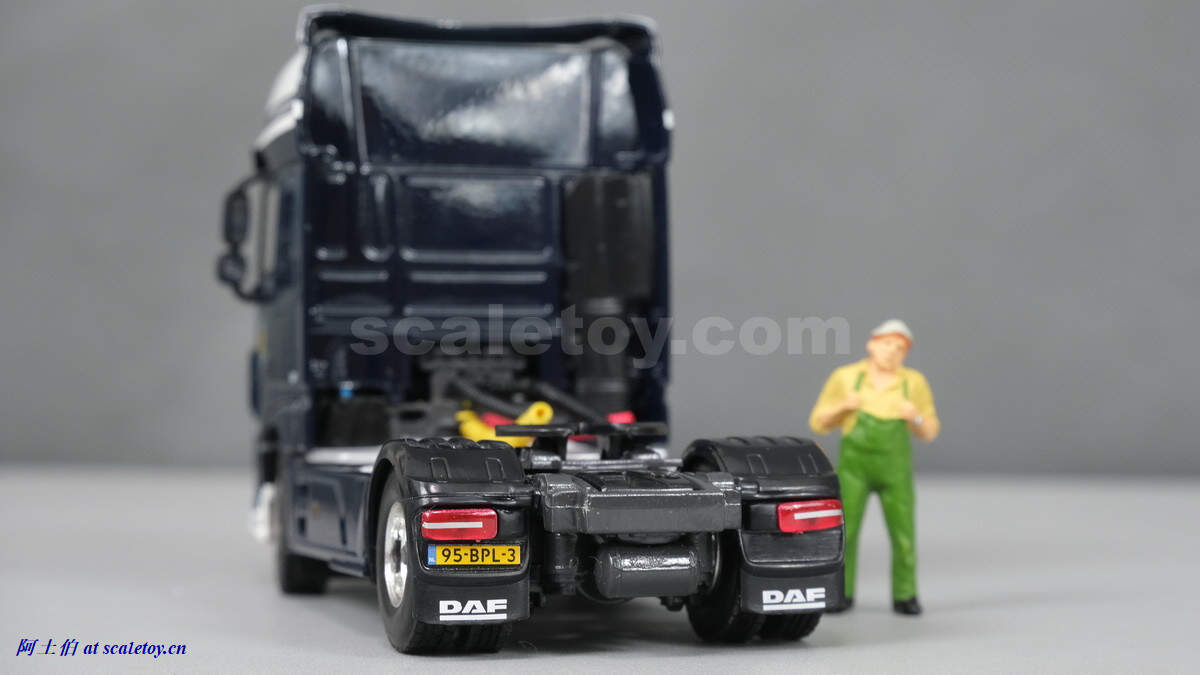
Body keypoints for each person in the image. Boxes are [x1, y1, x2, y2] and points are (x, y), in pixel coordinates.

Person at [808, 319, 940, 616]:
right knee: (846, 531)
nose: (892, 351)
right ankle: (841, 591)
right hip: (854, 470)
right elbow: (818, 422)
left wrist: (915, 417)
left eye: (900, 347)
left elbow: (930, 431)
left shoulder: (913, 382)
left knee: (903, 534)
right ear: (872, 344)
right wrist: (843, 406)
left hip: (896, 473)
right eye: (887, 343)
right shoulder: (846, 377)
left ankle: (905, 594)